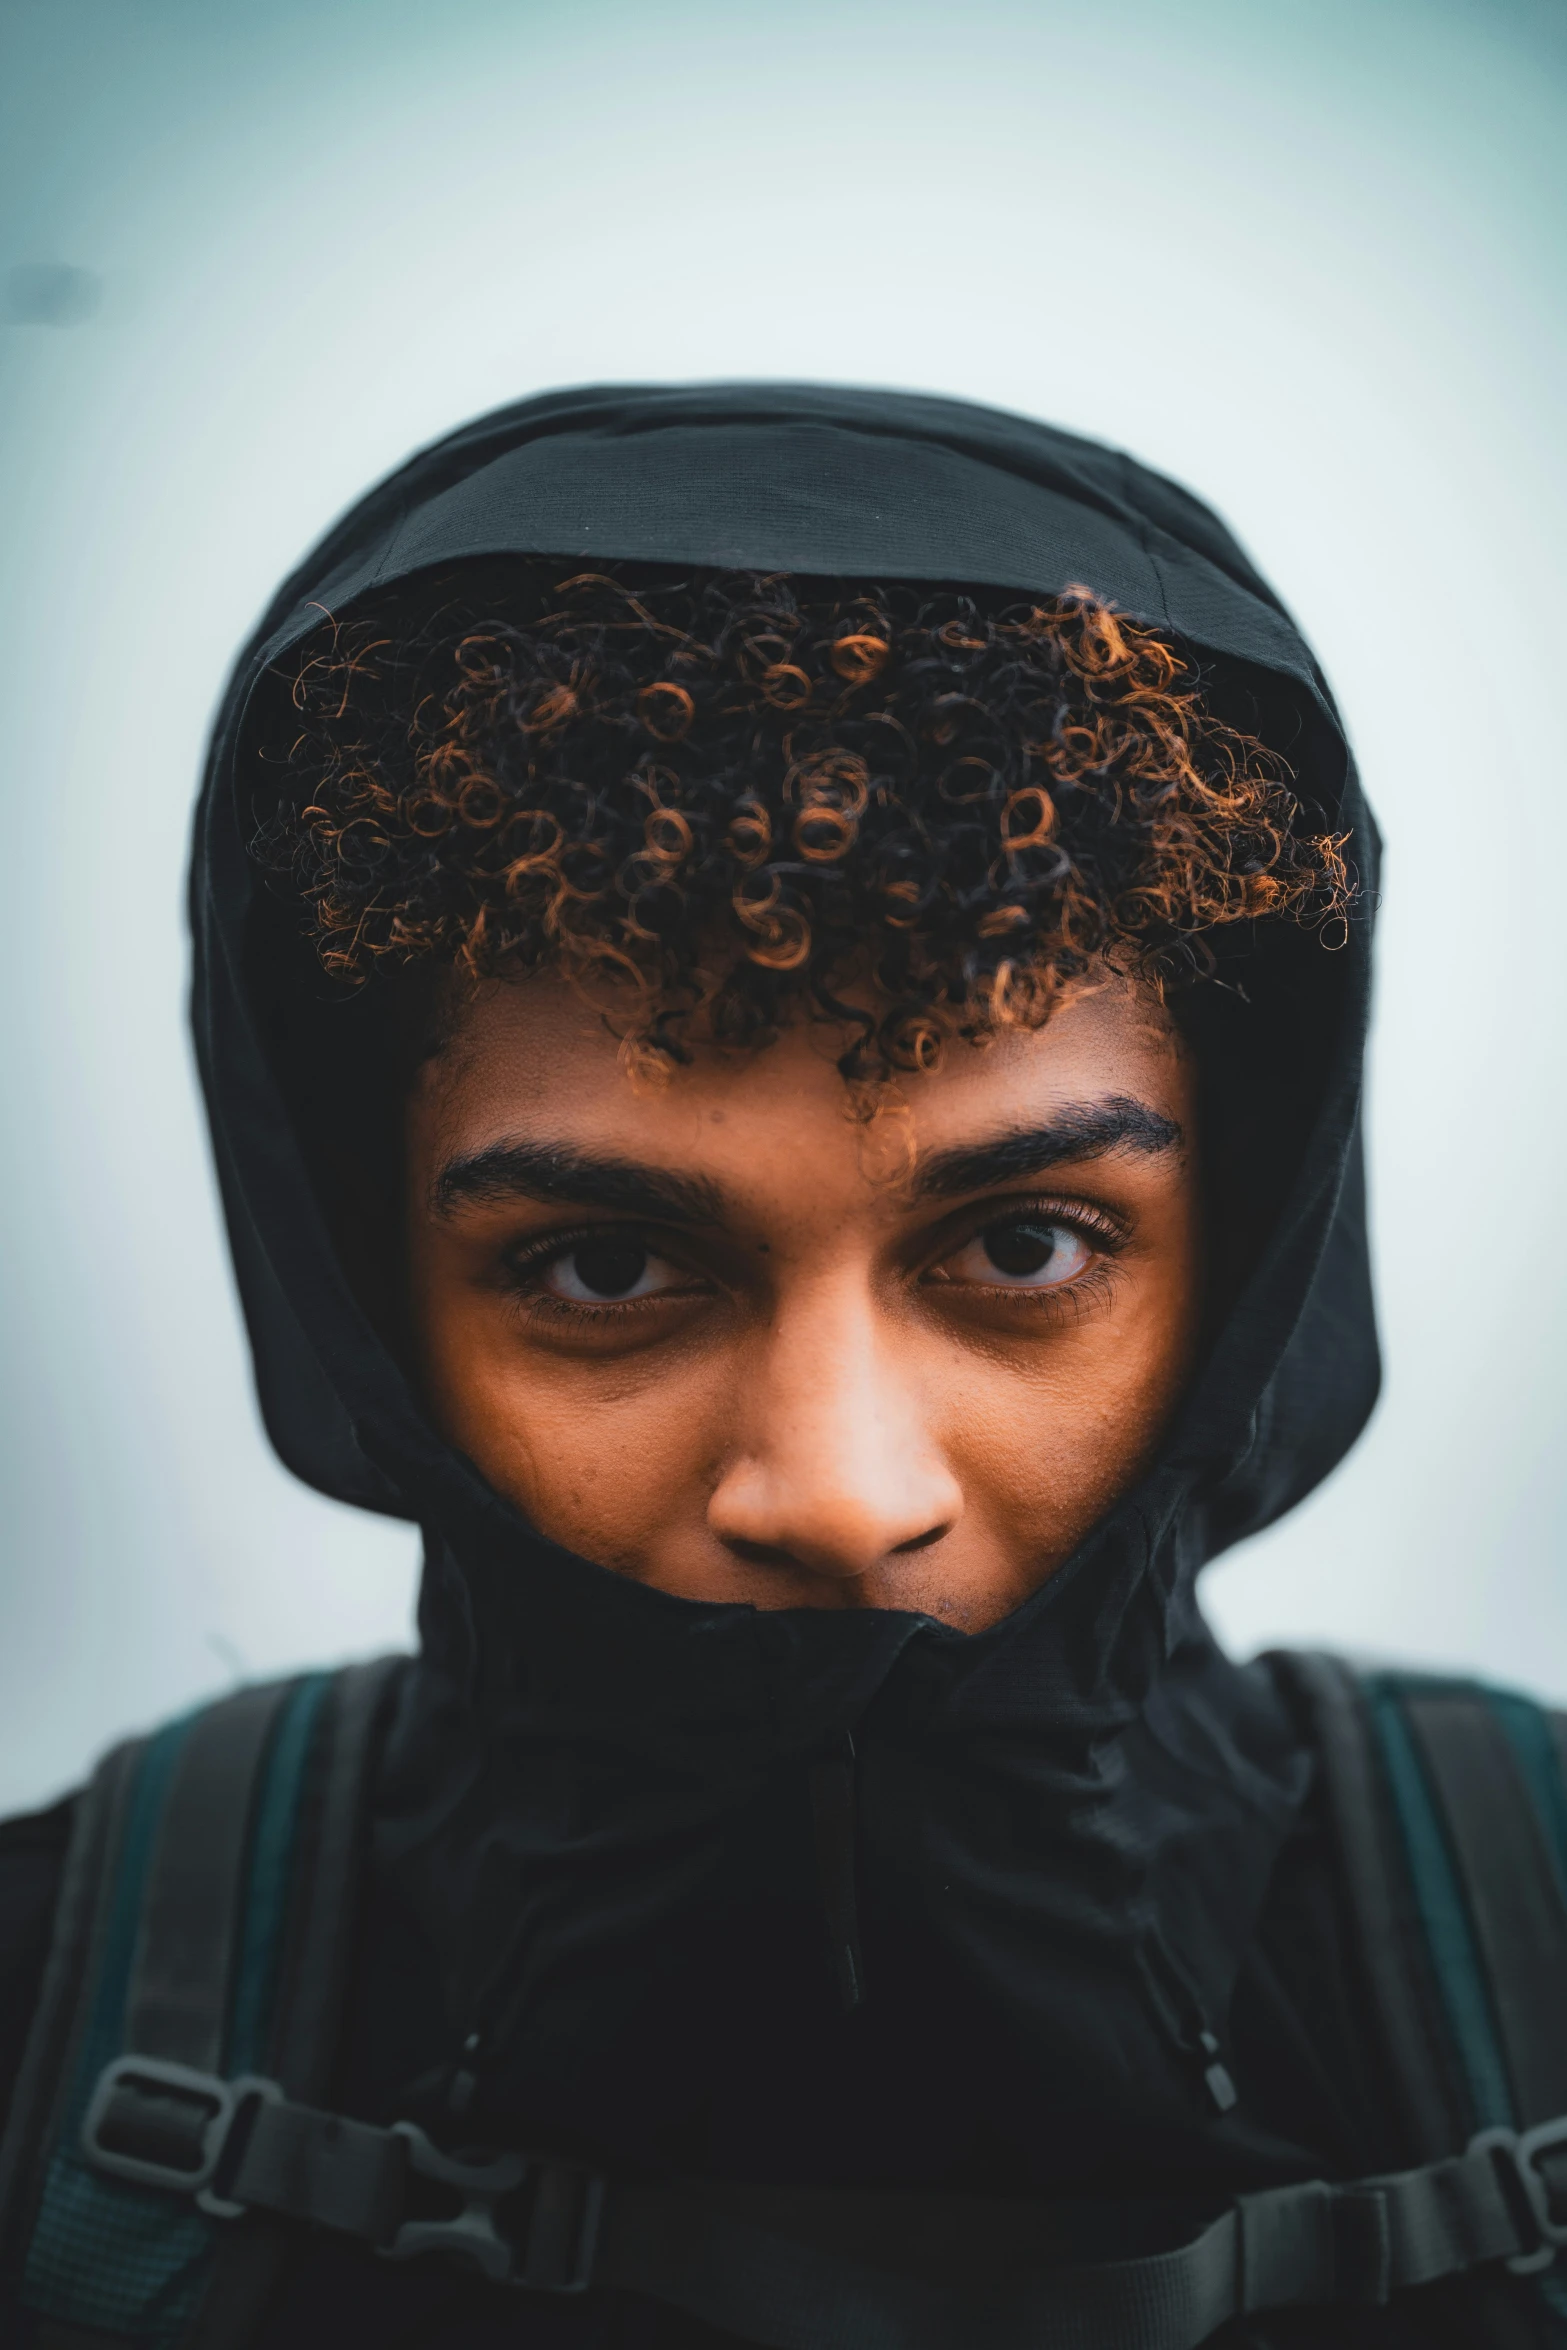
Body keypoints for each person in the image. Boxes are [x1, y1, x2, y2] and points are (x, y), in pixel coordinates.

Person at [2, 385, 1564, 2350]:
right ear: (365, 1292)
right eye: (609, 1263)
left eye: (1020, 1247)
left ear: (1239, 1260)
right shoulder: (46, 2013)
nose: (836, 1487)